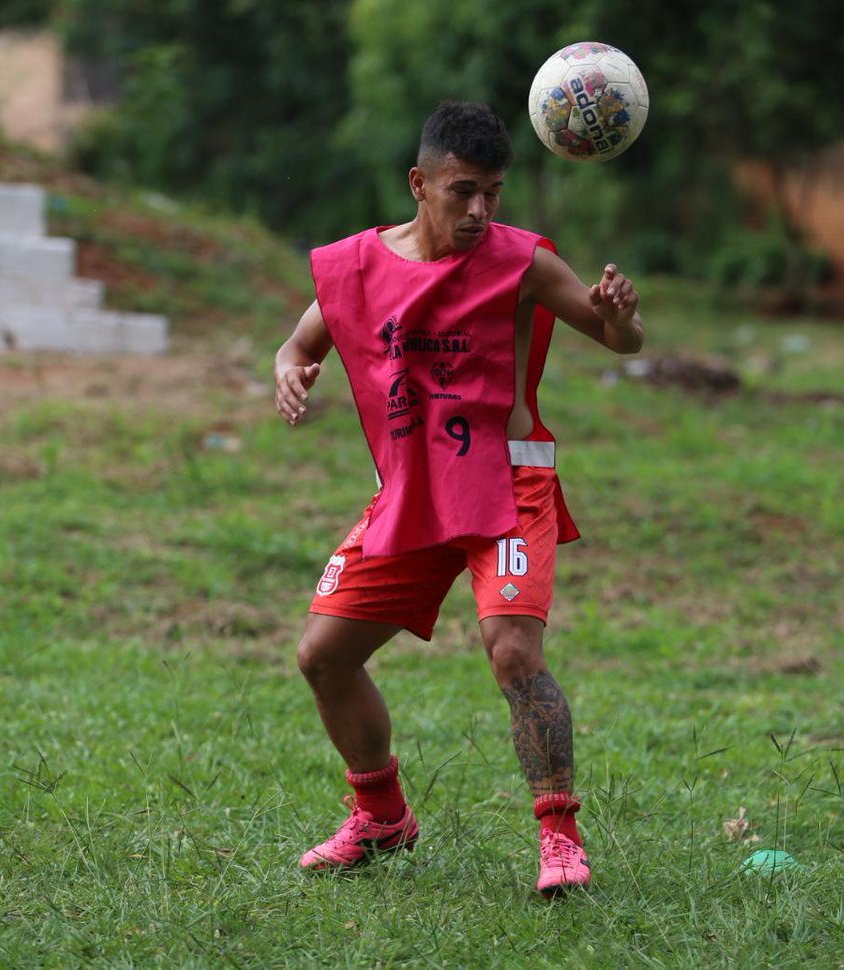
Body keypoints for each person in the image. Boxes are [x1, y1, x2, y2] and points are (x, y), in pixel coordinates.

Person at [273, 100, 644, 897]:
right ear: (419, 183)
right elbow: (302, 339)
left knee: (512, 649)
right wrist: (291, 370)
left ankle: (560, 837)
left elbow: (615, 336)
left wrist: (620, 321)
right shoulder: (357, 265)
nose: (480, 211)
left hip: (509, 483)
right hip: (414, 491)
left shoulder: (523, 261)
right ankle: (380, 816)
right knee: (323, 655)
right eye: (462, 191)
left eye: (494, 193)